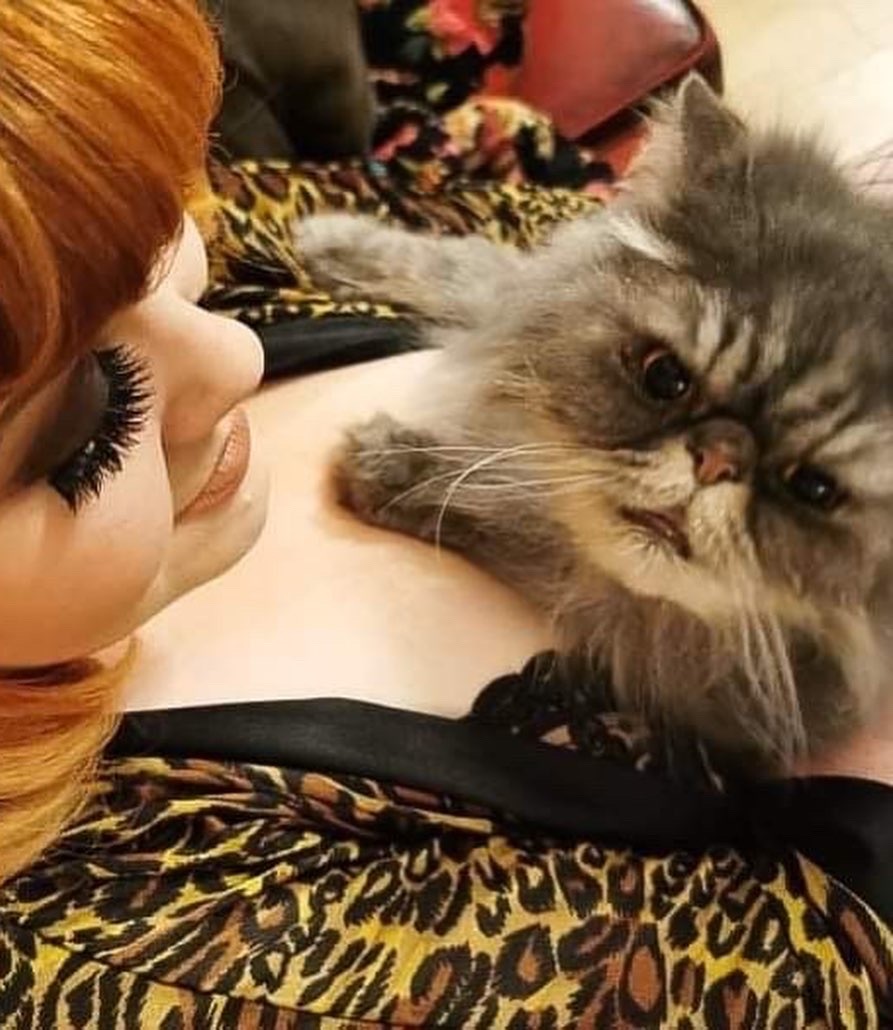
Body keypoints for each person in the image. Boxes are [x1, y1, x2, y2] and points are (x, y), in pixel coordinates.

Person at [0, 2, 889, 1027]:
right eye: (88, 421)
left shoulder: (184, 236)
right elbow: (820, 962)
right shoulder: (158, 942)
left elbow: (514, 235)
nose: (236, 354)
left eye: (164, 244)